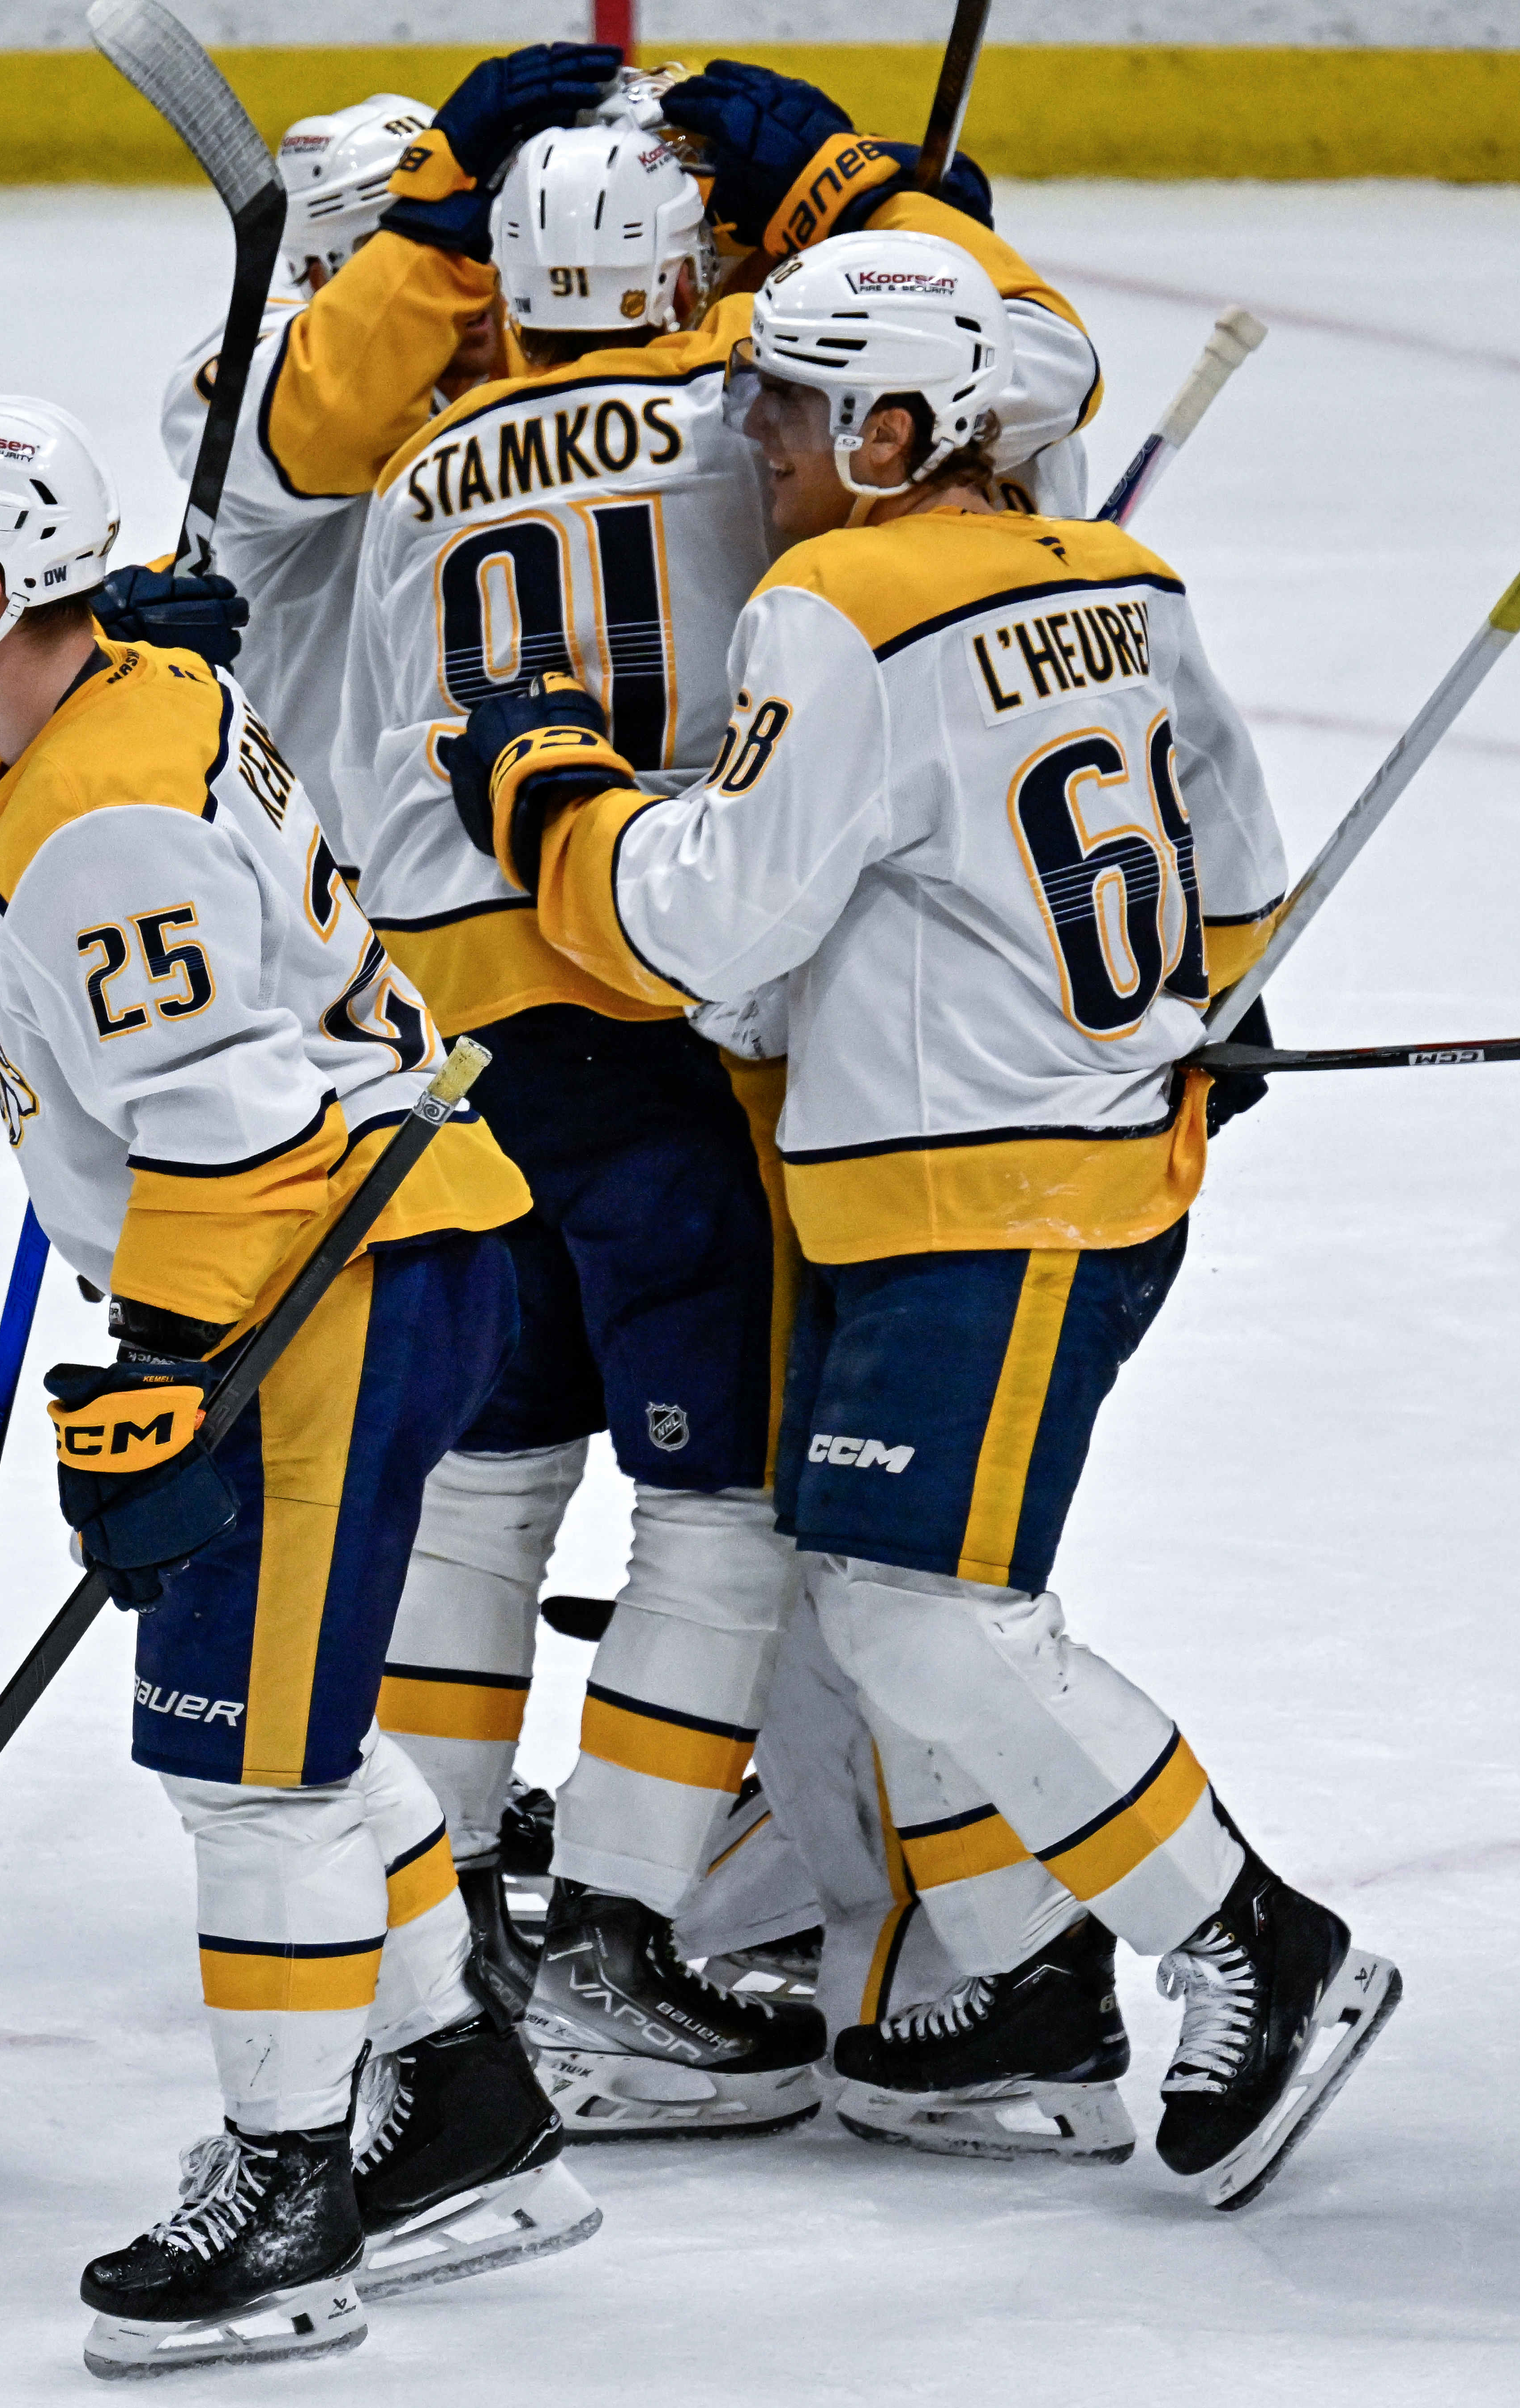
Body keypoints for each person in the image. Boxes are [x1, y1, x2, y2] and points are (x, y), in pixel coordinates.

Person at [448, 226, 1400, 2213]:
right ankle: (1012, 1986)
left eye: (788, 402)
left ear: (897, 428)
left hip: (984, 1194)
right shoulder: (1124, 580)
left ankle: (1253, 1941)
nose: (755, 435)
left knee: (914, 1604)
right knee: (878, 1594)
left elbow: (702, 921)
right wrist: (1187, 1011)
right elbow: (1236, 878)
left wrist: (549, 793)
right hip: (1057, 1168)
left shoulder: (839, 602)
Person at [0, 397, 595, 2377]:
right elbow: (65, 919)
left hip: (309, 1280)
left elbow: (230, 1129)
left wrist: (165, 1376)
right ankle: (466, 2104)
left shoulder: (101, 812)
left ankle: (290, 2196)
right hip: (386, 1250)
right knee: (301, 1729)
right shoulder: (117, 720)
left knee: (241, 1763)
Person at [337, 75, 1108, 2138]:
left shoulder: (412, 469)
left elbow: (345, 782)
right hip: (644, 1007)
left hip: (439, 1044)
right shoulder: (728, 403)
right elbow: (1029, 371)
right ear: (689, 281)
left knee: (487, 1480)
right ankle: (609, 1958)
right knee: (730, 1506)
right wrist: (874, 193)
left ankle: (428, 1944)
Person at [157, 46, 620, 804]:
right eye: (426, 246)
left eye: (489, 239)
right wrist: (430, 239)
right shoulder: (235, 368)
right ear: (319, 269)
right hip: (318, 870)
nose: (470, 274)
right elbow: (326, 422)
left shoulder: (540, 365)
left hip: (508, 848)